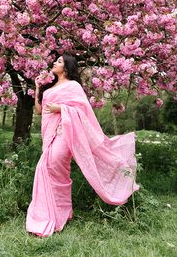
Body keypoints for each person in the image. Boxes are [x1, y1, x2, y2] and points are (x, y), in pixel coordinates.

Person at [26, 54, 139, 237]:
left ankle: (57, 214)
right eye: (56, 61)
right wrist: (38, 88)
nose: (55, 62)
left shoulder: (73, 86)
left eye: (60, 61)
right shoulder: (50, 87)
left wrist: (61, 109)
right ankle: (61, 213)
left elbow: (82, 111)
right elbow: (40, 111)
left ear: (67, 67)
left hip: (65, 133)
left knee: (52, 166)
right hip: (49, 136)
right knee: (51, 171)